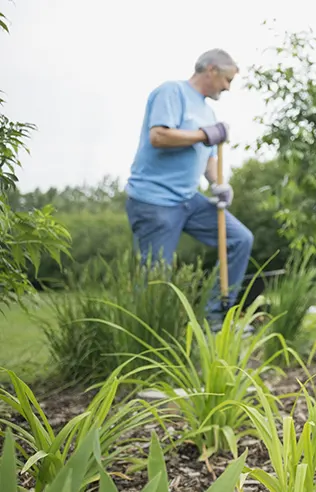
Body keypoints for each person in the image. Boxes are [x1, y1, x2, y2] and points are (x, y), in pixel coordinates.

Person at [125, 48, 253, 331]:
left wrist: (218, 183)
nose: (228, 88)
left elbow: (207, 155)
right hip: (154, 200)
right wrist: (205, 134)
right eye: (227, 80)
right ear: (211, 70)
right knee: (155, 278)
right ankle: (151, 340)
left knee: (240, 239)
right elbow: (159, 136)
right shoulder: (172, 92)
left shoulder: (207, 110)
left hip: (188, 199)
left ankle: (216, 318)